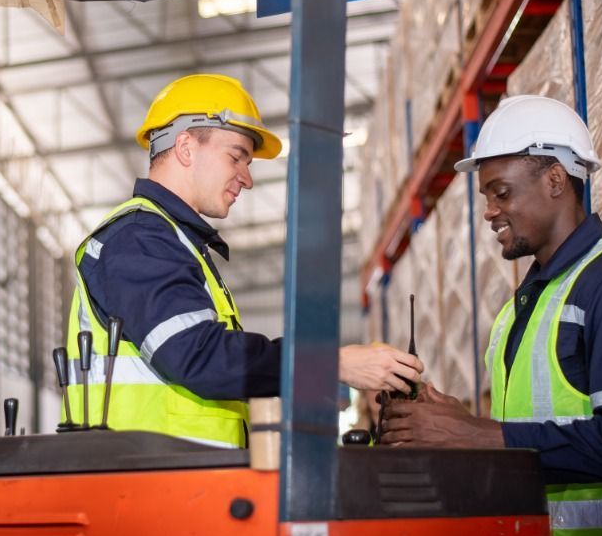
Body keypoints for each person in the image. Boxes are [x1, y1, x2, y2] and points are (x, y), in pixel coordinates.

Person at [378, 95, 602, 536]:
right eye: (485, 197)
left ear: (556, 180)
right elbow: (531, 429)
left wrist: (474, 435)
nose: (489, 211)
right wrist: (455, 423)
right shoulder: (525, 306)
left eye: (501, 193)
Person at [64, 74, 423, 448]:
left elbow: (214, 372)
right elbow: (198, 356)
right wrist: (335, 365)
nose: (247, 179)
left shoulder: (173, 242)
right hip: (148, 485)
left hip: (179, 481)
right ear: (186, 148)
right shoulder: (138, 239)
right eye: (236, 156)